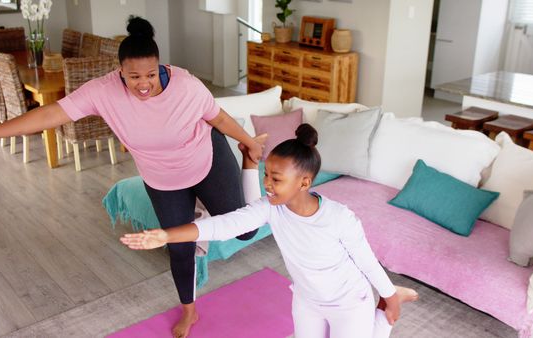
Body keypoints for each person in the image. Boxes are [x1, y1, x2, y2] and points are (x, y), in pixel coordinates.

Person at [0, 17, 263, 338]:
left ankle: (244, 168)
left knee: (246, 231)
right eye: (134, 76)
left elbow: (218, 117)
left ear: (160, 66)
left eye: (151, 74)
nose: (144, 84)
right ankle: (189, 312)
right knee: (179, 248)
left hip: (205, 157)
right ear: (119, 70)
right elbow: (50, 114)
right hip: (163, 178)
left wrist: (248, 143)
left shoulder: (186, 86)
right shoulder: (104, 91)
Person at [121, 124, 419, 338]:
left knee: (381, 319)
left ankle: (384, 313)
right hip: (308, 301)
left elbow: (366, 260)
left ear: (304, 183)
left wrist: (389, 295)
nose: (268, 184)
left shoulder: (340, 218)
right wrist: (167, 234)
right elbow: (227, 223)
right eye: (266, 175)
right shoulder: (271, 207)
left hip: (350, 302)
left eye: (276, 179)